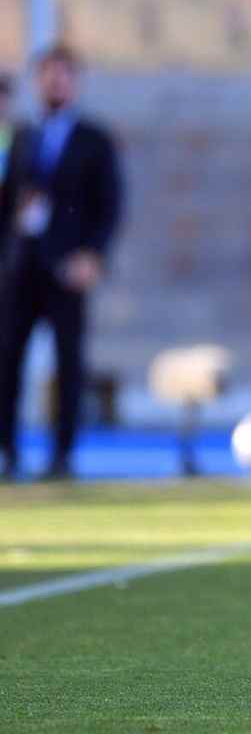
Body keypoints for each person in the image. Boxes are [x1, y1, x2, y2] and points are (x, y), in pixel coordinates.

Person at [0, 44, 123, 481]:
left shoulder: (94, 139)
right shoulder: (21, 136)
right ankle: (8, 452)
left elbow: (110, 206)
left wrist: (93, 256)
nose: (55, 83)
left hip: (68, 269)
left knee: (68, 362)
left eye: (63, 75)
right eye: (48, 75)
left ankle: (62, 455)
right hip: (21, 268)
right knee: (7, 360)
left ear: (75, 82)